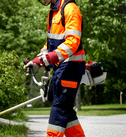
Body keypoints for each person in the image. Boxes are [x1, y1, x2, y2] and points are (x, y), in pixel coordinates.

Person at [24, 0, 85, 136]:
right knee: (65, 109)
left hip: (71, 66)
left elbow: (73, 41)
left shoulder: (70, 9)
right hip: (61, 67)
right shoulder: (54, 11)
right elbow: (51, 43)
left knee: (60, 107)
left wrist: (51, 57)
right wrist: (37, 61)